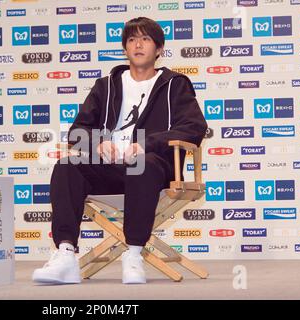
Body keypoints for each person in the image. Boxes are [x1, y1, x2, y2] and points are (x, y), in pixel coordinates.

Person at [32, 17, 208, 285]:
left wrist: (147, 143)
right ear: (125, 48)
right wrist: (99, 142)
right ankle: (66, 254)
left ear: (159, 49)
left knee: (142, 163)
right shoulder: (107, 85)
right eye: (132, 40)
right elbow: (77, 131)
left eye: (146, 39)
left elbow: (194, 127)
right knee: (67, 165)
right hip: (111, 168)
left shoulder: (175, 84)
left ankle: (134, 253)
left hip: (154, 168)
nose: (138, 44)